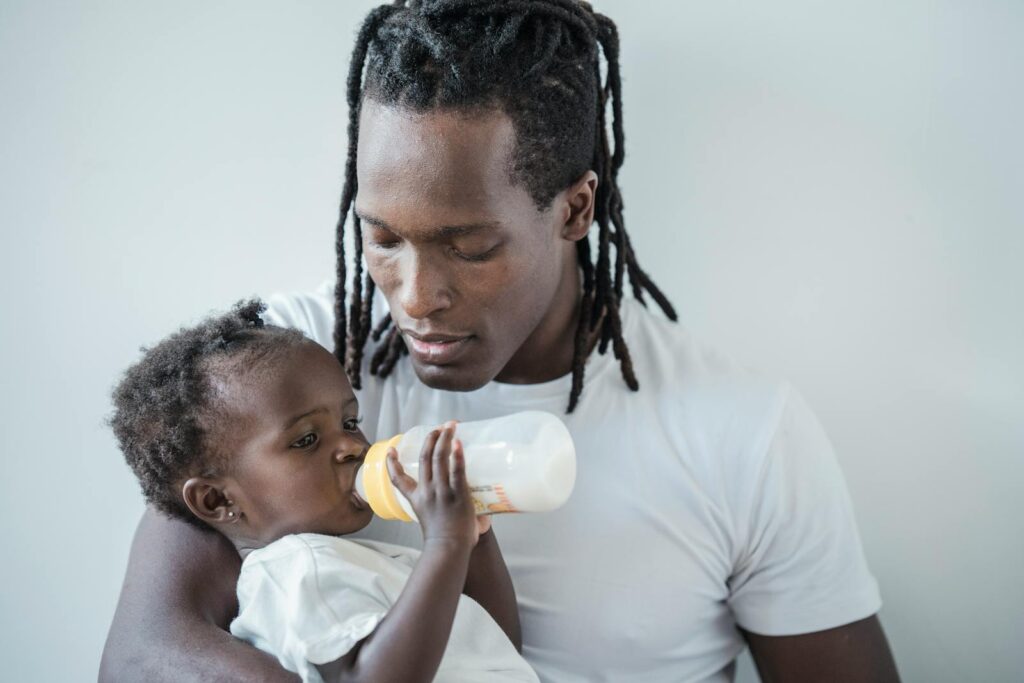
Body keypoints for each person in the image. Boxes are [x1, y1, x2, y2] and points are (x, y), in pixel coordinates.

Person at [101, 1, 900, 681]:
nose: (414, 297)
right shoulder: (286, 369)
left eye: (470, 247)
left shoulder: (744, 435)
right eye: (381, 239)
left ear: (576, 209)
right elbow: (141, 655)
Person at [108, 300, 539, 683]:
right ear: (218, 501)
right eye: (306, 440)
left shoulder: (358, 563)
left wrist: (476, 538)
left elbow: (497, 651)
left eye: (350, 423)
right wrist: (446, 542)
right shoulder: (294, 574)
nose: (352, 446)